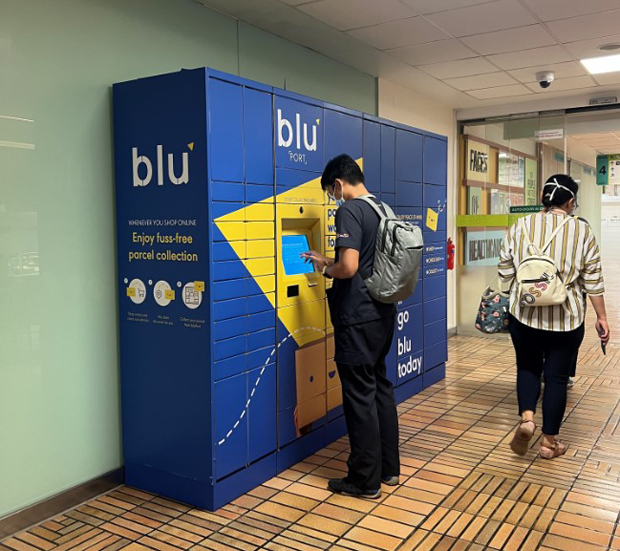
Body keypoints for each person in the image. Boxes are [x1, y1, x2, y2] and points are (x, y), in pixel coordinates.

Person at [301, 154, 400, 499]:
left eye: (332, 190)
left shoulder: (350, 210)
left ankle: (363, 480)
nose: (333, 197)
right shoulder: (381, 209)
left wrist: (326, 270)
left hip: (357, 317)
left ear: (339, 184)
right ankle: (388, 469)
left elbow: (348, 268)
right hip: (382, 313)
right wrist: (326, 258)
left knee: (358, 396)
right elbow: (367, 258)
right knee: (380, 387)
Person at [499, 174, 610, 459]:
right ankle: (549, 443)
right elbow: (593, 279)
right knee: (557, 378)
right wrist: (602, 317)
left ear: (542, 199)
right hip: (566, 317)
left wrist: (513, 290)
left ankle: (527, 419)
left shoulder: (520, 226)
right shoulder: (581, 231)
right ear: (571, 201)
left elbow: (505, 269)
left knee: (527, 367)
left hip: (524, 314)